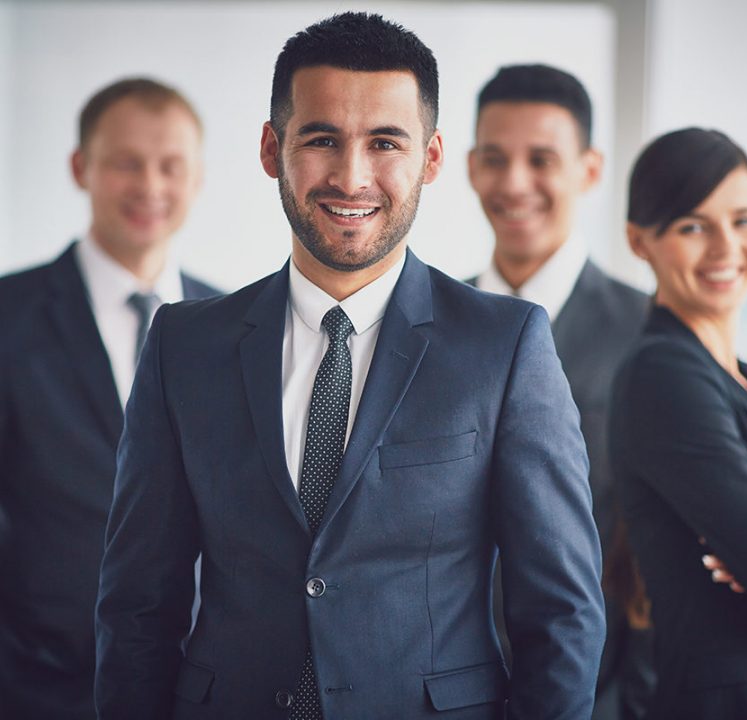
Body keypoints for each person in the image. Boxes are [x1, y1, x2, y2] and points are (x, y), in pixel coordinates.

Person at [94, 13, 605, 720]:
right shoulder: (184, 345)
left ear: (429, 159)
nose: (352, 175)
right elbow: (136, 608)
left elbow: (563, 615)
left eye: (385, 142)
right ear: (273, 148)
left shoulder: (505, 345)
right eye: (322, 138)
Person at [0, 77, 219, 719]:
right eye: (126, 162)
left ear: (198, 177)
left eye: (170, 165)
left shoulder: (241, 326)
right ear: (80, 168)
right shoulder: (8, 317)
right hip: (39, 689)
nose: (150, 186)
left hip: (205, 692)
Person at [467, 64, 652, 719]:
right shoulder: (426, 328)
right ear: (468, 168)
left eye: (541, 159)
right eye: (495, 158)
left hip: (601, 695)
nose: (515, 183)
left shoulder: (650, 335)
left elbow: (665, 550)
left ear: (590, 170)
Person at [610, 127, 747, 719]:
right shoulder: (663, 375)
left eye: (743, 220)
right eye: (693, 226)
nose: (725, 248)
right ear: (641, 241)